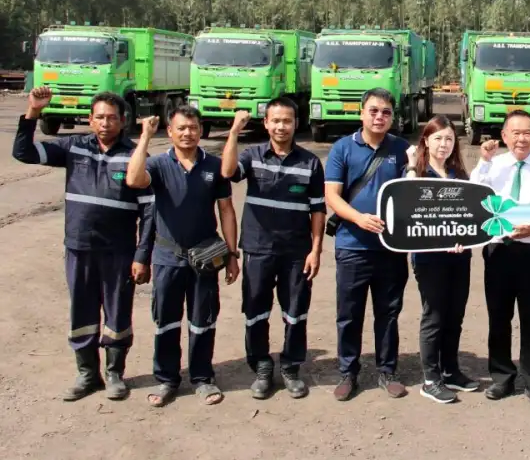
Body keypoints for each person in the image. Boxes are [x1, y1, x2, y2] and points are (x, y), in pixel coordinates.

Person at [11, 88, 154, 401]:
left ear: (123, 121)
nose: (105, 123)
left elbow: (149, 212)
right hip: (79, 249)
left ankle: (114, 374)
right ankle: (88, 374)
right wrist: (33, 112)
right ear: (90, 120)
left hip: (119, 252)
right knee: (82, 312)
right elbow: (23, 152)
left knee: (118, 314)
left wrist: (142, 255)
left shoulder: (135, 157)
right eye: (99, 117)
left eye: (111, 118)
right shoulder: (73, 148)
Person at [125, 106, 239, 407]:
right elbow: (133, 180)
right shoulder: (158, 164)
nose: (188, 133)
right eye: (181, 128)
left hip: (205, 259)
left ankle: (202, 378)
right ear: (170, 131)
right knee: (166, 321)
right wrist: (145, 137)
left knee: (203, 321)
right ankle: (167, 380)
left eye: (193, 128)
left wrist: (232, 254)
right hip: (167, 257)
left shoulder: (214, 166)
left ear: (201, 131)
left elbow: (226, 211)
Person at [221, 99, 326, 400]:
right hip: (258, 248)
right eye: (276, 121)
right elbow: (228, 172)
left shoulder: (310, 162)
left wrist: (315, 250)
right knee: (256, 310)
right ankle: (262, 367)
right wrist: (233, 132)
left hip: (296, 252)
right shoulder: (252, 156)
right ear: (266, 123)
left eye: (287, 121)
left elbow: (318, 210)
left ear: (296, 123)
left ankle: (291, 368)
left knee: (295, 312)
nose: (281, 126)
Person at [470, 110, 530, 408]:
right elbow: (473, 195)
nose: (521, 139)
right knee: (499, 317)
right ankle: (502, 377)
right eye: (516, 133)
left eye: (528, 133)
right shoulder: (493, 165)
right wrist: (484, 160)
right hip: (498, 250)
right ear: (504, 136)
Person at [324, 88, 411, 401]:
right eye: (373, 110)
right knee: (349, 314)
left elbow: (414, 190)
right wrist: (359, 219)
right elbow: (332, 195)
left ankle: (387, 371)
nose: (379, 117)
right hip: (352, 247)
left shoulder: (402, 149)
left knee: (388, 313)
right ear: (361, 113)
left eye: (386, 112)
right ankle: (348, 372)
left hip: (391, 249)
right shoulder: (343, 148)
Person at [403, 115, 480, 404]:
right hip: (429, 259)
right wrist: (412, 165)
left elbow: (468, 214)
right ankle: (430, 379)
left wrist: (464, 239)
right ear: (426, 140)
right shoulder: (418, 172)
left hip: (459, 257)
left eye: (449, 139)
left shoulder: (458, 173)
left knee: (454, 316)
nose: (443, 144)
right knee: (434, 316)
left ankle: (450, 370)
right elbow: (407, 203)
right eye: (437, 138)